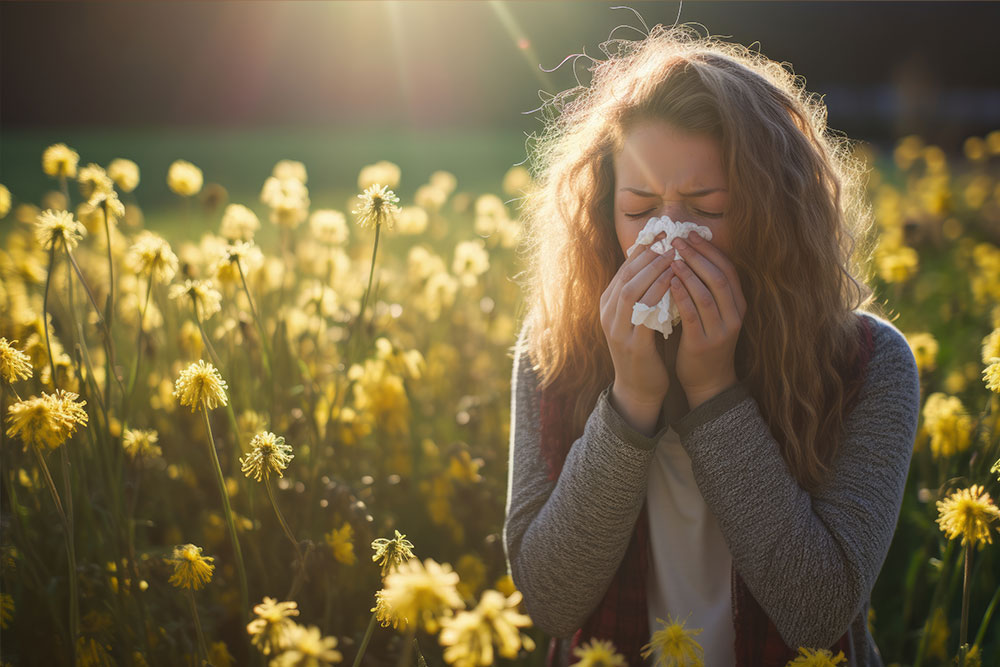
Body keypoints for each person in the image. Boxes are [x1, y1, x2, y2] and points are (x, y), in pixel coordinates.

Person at [502, 23, 920, 667]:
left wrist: (714, 390)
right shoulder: (554, 347)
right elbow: (552, 604)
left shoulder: (870, 365)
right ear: (604, 212)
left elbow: (817, 611)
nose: (669, 236)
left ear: (773, 213)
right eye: (640, 210)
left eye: (707, 206)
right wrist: (632, 398)